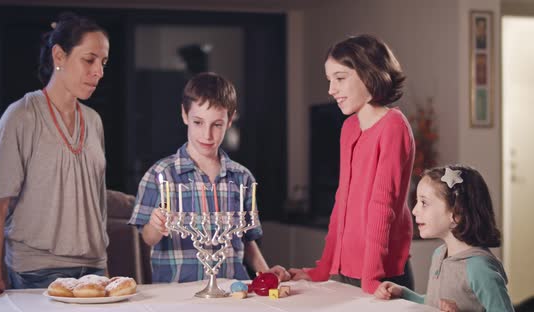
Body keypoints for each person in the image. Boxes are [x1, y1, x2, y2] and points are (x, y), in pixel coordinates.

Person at [0, 12, 110, 295]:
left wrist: (103, 269)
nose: (99, 71)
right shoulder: (21, 116)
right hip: (37, 270)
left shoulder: (94, 121)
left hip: (95, 269)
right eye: (89, 60)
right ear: (59, 56)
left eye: (103, 62)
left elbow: (97, 205)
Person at [284, 34, 415, 294]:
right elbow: (342, 201)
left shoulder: (393, 126)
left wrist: (371, 280)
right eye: (329, 80)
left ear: (369, 75)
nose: (331, 90)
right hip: (346, 271)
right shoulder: (350, 128)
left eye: (340, 78)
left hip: (381, 276)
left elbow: (383, 205)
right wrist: (323, 269)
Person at [129, 72, 285, 283]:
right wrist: (155, 226)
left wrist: (266, 274)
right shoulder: (160, 174)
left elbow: (246, 239)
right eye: (198, 122)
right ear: (185, 115)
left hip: (231, 292)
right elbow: (146, 238)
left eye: (217, 124)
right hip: (178, 295)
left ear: (230, 120)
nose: (207, 135)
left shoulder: (242, 178)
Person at [374, 165, 514, 312]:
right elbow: (432, 304)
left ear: (456, 213)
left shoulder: (479, 269)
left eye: (424, 203)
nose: (414, 210)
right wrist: (402, 293)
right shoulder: (439, 255)